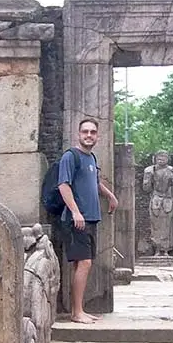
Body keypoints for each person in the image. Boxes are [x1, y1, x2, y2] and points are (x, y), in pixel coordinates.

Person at [57, 118, 119, 323]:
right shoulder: (70, 156)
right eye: (85, 132)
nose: (89, 135)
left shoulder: (91, 158)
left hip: (91, 218)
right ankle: (77, 312)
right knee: (84, 263)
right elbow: (63, 186)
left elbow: (95, 182)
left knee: (82, 264)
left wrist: (110, 196)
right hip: (77, 219)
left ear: (97, 136)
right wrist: (75, 212)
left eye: (93, 132)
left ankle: (79, 309)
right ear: (78, 134)